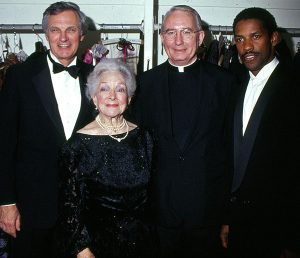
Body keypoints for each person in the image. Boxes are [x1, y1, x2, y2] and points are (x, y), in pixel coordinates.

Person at [132, 5, 236, 258]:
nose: (178, 41)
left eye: (186, 32)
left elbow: (232, 149)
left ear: (200, 38)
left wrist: (227, 215)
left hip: (207, 214)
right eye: (170, 32)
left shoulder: (226, 82)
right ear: (162, 38)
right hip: (157, 214)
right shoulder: (143, 84)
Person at [0, 2, 94, 257]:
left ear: (82, 35)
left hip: (81, 213)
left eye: (71, 30)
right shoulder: (19, 76)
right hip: (30, 211)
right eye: (55, 30)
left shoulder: (96, 78)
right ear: (46, 35)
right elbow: (4, 143)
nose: (63, 38)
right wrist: (6, 202)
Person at [220, 7, 300, 258]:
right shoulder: (236, 84)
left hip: (279, 229)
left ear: (274, 38)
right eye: (240, 39)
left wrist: (293, 240)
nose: (247, 47)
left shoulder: (294, 85)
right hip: (239, 226)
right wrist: (227, 219)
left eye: (256, 36)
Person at [56, 58, 156, 258]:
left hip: (141, 243)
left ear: (128, 97)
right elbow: (69, 207)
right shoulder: (76, 146)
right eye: (104, 89)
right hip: (96, 247)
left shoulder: (144, 137)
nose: (112, 96)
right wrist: (82, 249)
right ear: (94, 97)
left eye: (120, 89)